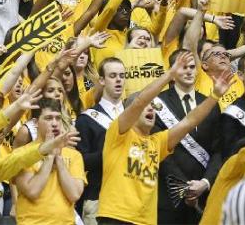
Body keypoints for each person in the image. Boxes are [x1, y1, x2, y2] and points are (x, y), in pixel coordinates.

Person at [95, 51, 232, 225]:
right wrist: (169, 75)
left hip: (147, 220)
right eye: (147, 107)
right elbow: (139, 101)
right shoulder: (119, 133)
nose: (151, 109)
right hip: (116, 217)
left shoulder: (157, 142)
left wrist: (215, 96)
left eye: (153, 107)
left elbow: (189, 122)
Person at [153, 49, 222, 224]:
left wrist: (205, 183)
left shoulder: (211, 104)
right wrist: (185, 187)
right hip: (169, 195)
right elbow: (159, 151)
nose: (189, 71)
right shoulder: (157, 104)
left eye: (192, 66)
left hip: (204, 194)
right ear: (172, 71)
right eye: (184, 67)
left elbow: (218, 150)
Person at [76, 57, 126, 225]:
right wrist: (111, 153)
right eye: (113, 76)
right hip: (99, 197)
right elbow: (80, 161)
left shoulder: (135, 115)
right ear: (102, 80)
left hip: (131, 197)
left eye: (122, 75)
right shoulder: (86, 119)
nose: (118, 80)